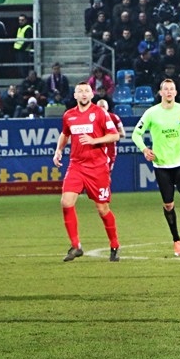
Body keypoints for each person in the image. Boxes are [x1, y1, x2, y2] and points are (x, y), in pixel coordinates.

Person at [132, 78, 180, 256]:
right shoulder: (151, 113)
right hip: (162, 165)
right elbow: (136, 133)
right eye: (166, 89)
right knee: (168, 205)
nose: (169, 92)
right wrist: (144, 149)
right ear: (161, 92)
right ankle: (176, 241)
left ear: (176, 92)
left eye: (172, 89)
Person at [52, 82, 122, 262]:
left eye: (87, 91)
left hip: (97, 167)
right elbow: (65, 134)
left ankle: (114, 244)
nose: (84, 94)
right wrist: (59, 150)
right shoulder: (69, 115)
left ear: (92, 95)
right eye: (80, 91)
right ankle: (76, 246)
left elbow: (114, 135)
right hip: (76, 165)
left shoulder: (100, 113)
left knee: (102, 208)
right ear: (75, 95)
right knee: (66, 202)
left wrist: (93, 140)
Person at [97, 99, 125, 172]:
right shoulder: (92, 119)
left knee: (106, 174)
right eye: (99, 107)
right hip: (96, 150)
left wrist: (109, 136)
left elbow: (123, 134)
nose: (102, 108)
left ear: (107, 107)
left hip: (110, 150)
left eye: (103, 106)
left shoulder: (114, 117)